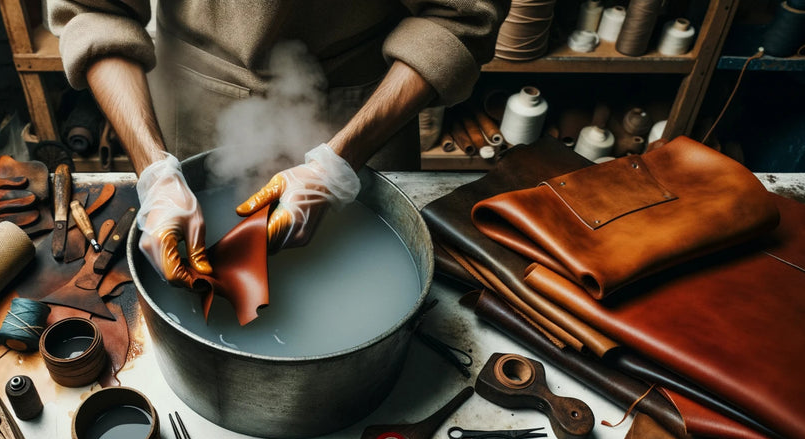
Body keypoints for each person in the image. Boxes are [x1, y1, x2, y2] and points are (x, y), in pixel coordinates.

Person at [48, 0, 508, 287]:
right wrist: (155, 171)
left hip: (363, 107)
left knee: (352, 272)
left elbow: (461, 13)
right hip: (189, 102)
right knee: (187, 266)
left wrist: (338, 165)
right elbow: (96, 9)